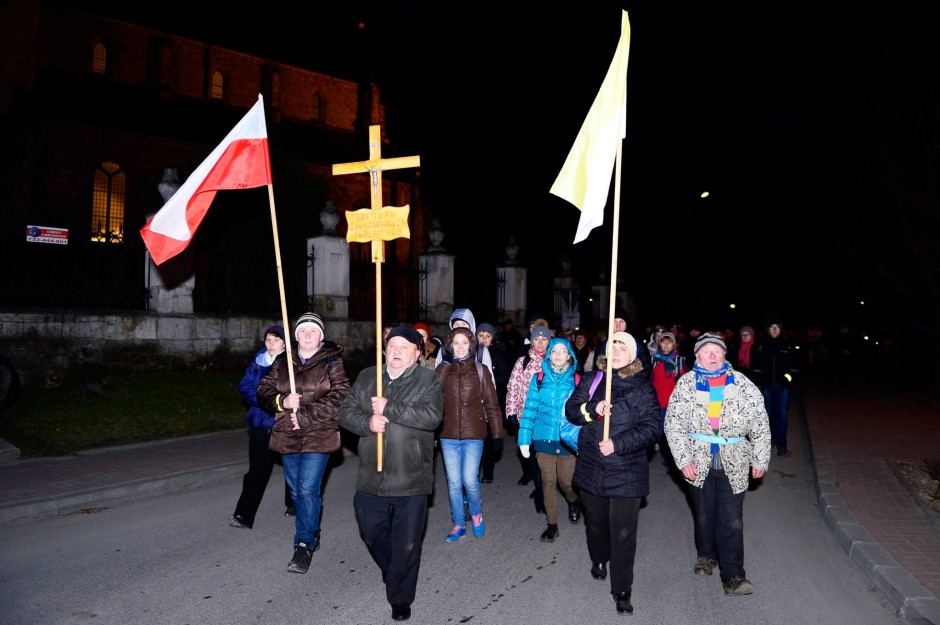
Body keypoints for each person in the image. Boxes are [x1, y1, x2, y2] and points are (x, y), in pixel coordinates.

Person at [337, 326, 444, 623]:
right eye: (391, 345)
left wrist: (390, 408)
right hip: (371, 477)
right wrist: (367, 422)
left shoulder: (428, 379)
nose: (396, 351)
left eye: (404, 346)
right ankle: (394, 568)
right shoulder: (369, 376)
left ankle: (400, 597)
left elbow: (432, 417)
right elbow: (345, 412)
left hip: (411, 477)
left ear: (416, 353)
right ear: (384, 350)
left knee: (408, 542)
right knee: (371, 532)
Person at [664, 332, 771, 596]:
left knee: (731, 519)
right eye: (706, 351)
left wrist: (760, 458)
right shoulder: (686, 384)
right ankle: (706, 555)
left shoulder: (743, 385)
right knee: (703, 512)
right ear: (697, 356)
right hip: (697, 460)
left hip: (734, 460)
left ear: (725, 354)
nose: (712, 356)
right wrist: (683, 459)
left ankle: (733, 575)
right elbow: (673, 425)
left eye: (717, 351)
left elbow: (760, 423)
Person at [564, 332, 659, 615]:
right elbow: (571, 411)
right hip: (592, 468)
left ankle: (622, 589)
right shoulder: (594, 380)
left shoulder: (642, 389)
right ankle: (599, 558)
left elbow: (652, 427)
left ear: (633, 355)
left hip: (626, 473)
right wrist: (593, 409)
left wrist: (618, 443)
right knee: (595, 524)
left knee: (623, 533)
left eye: (623, 347)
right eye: (613, 346)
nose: (617, 351)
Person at [257, 312, 350, 574]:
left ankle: (303, 544)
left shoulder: (332, 361)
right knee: (296, 491)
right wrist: (282, 402)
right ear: (295, 336)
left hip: (319, 432)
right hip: (287, 432)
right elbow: (263, 390)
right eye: (302, 331)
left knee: (308, 489)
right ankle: (313, 530)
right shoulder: (283, 361)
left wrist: (307, 415)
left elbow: (341, 394)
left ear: (321, 336)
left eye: (313, 331)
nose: (307, 335)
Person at [435, 326, 504, 542]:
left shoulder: (480, 370)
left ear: (472, 345)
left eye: (464, 342)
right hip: (448, 434)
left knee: (469, 480)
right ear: (449, 346)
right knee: (454, 483)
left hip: (474, 433)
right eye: (456, 343)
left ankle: (476, 514)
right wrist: (445, 364)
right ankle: (458, 524)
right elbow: (432, 390)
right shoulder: (444, 369)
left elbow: (492, 405)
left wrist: (498, 433)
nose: (460, 347)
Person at [228, 324, 295, 529]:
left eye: (276, 340)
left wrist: (281, 402)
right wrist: (262, 400)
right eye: (268, 340)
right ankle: (243, 515)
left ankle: (293, 504)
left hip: (283, 423)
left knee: (292, 466)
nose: (271, 344)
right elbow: (246, 385)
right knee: (257, 469)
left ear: (284, 342)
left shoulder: (291, 362)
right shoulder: (259, 361)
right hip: (260, 421)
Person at [518, 337, 582, 542]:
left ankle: (574, 501)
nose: (557, 355)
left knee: (566, 482)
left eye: (562, 351)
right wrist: (524, 439)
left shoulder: (578, 381)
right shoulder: (538, 378)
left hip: (566, 440)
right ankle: (552, 525)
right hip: (543, 438)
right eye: (554, 351)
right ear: (549, 355)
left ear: (569, 356)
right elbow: (529, 410)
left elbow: (582, 413)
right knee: (547, 482)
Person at [505, 324, 552, 510]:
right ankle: (540, 488)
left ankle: (544, 488)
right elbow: (513, 387)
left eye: (544, 339)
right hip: (527, 417)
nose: (540, 343)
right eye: (536, 339)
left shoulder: (554, 359)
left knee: (545, 456)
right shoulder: (522, 361)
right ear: (531, 342)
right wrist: (510, 411)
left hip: (547, 418)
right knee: (532, 455)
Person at [750, 319, 799, 457]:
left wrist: (785, 380)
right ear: (768, 330)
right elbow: (756, 367)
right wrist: (762, 381)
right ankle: (768, 443)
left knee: (782, 415)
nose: (774, 330)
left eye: (777, 327)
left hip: (783, 388)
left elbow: (795, 368)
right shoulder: (761, 346)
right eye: (772, 327)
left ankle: (782, 446)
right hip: (767, 387)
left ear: (781, 330)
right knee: (767, 415)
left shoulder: (788, 346)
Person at [649, 331, 687, 473]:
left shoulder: (679, 361)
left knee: (671, 434)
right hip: (657, 403)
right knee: (659, 433)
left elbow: (684, 383)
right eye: (663, 342)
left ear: (674, 344)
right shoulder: (654, 360)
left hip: (672, 404)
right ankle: (666, 457)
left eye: (669, 342)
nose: (666, 345)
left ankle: (673, 461)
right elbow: (650, 379)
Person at [476, 322, 509, 483]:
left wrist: (488, 382)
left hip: (492, 400)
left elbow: (504, 378)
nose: (483, 339)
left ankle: (488, 473)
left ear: (492, 338)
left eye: (487, 336)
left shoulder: (499, 354)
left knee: (488, 439)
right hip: (475, 401)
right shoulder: (472, 352)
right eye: (481, 336)